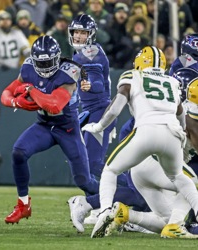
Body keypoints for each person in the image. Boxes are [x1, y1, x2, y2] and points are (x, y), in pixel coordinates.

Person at [82, 46, 198, 238]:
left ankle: (105, 213)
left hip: (145, 136)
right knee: (184, 180)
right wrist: (181, 136)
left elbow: (115, 109)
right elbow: (180, 115)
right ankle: (179, 223)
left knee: (110, 170)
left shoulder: (133, 76)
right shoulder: (171, 81)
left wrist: (99, 127)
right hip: (170, 136)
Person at [1, 35, 99, 224]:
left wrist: (31, 92)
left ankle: (113, 200)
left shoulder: (69, 72)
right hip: (45, 126)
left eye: (49, 63)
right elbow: (6, 93)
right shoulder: (28, 67)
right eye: (41, 63)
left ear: (58, 58)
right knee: (19, 152)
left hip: (68, 129)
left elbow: (54, 106)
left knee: (84, 181)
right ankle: (23, 205)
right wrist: (15, 101)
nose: (45, 68)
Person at [68, 14, 118, 184]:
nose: (78, 36)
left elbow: (97, 81)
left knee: (93, 164)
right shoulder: (80, 53)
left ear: (91, 34)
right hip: (92, 112)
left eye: (83, 32)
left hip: (100, 112)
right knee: (82, 163)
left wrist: (90, 84)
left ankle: (134, 191)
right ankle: (97, 199)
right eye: (76, 32)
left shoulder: (90, 52)